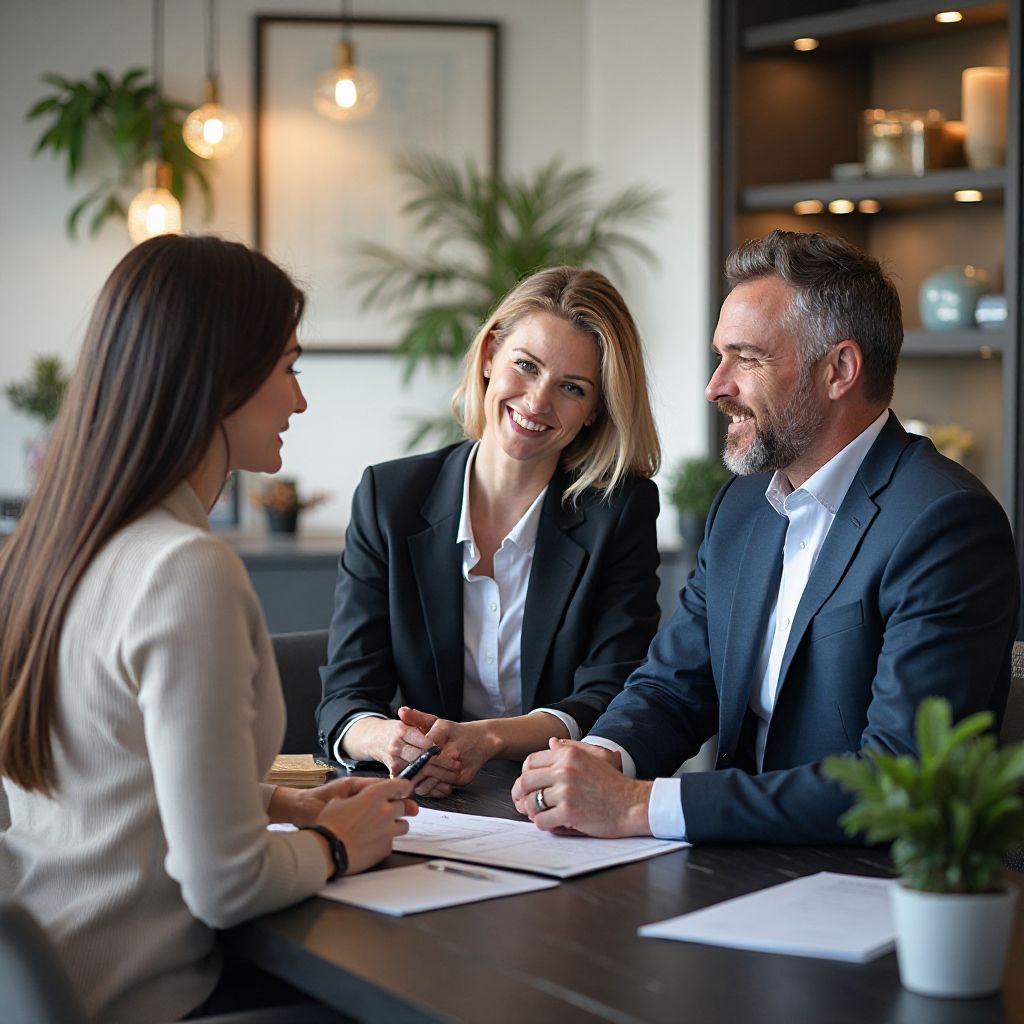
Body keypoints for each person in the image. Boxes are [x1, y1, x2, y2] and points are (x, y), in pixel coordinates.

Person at [0, 235, 417, 1023]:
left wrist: (283, 805)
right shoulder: (184, 570)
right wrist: (339, 844)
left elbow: (109, 774)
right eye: (289, 367)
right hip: (143, 999)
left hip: (49, 977)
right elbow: (224, 884)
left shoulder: (50, 551)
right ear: (221, 378)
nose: (299, 402)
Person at [512, 229, 1020, 844]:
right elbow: (673, 686)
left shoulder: (945, 523)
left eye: (746, 358)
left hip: (865, 879)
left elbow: (898, 776)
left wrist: (637, 806)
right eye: (719, 356)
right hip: (735, 865)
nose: (716, 386)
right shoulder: (743, 505)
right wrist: (597, 761)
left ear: (839, 370)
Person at [316, 266, 662, 796]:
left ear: (595, 410)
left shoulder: (618, 511)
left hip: (559, 795)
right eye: (526, 366)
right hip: (432, 799)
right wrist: (389, 741)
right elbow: (346, 693)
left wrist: (487, 739)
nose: (538, 401)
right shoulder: (390, 499)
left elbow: (611, 691)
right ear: (488, 357)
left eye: (571, 387)